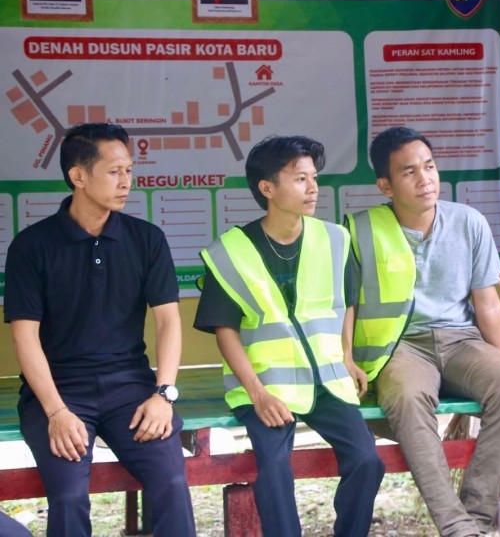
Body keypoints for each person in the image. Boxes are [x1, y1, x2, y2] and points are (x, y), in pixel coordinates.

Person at [345, 126, 500, 537]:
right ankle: (457, 528)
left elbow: (487, 303)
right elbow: (347, 305)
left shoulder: (469, 222)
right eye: (409, 172)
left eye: (430, 167)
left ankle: (478, 520)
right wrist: (347, 359)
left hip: (460, 340)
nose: (425, 179)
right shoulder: (359, 230)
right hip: (399, 346)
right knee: (409, 398)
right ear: (385, 185)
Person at [4, 123, 195, 536]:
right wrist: (55, 412)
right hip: (57, 391)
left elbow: (168, 320)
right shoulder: (32, 246)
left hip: (131, 386)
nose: (126, 182)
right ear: (78, 176)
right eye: (114, 172)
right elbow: (25, 336)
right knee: (70, 494)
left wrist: (163, 394)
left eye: (129, 170)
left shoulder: (147, 239)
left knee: (172, 480)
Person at [194, 136, 384, 537]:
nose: (313, 187)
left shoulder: (334, 239)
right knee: (275, 467)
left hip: (328, 381)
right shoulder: (230, 251)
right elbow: (224, 330)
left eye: (314, 177)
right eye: (300, 179)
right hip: (265, 387)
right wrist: (258, 393)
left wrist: (347, 356)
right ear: (267, 188)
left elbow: (346, 302)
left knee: (368, 459)